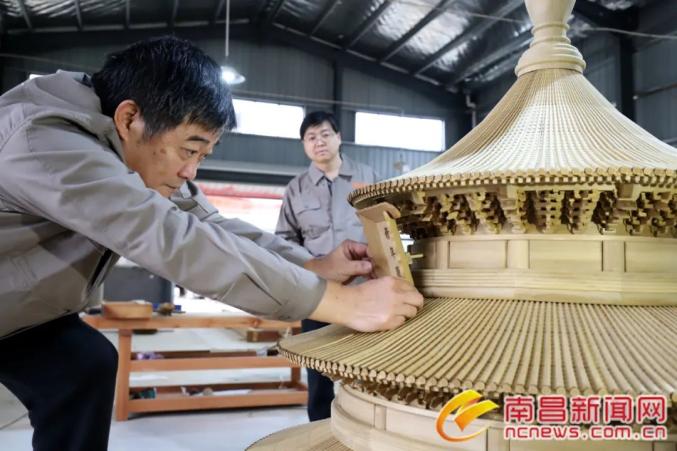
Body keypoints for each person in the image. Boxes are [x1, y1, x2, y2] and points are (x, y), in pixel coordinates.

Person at [0, 36, 423, 451]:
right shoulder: (43, 140)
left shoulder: (132, 150)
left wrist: (311, 267)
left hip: (26, 312)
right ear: (130, 119)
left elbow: (209, 225)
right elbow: (173, 239)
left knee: (84, 366)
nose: (191, 172)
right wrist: (344, 303)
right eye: (189, 150)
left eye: (202, 156)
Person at [275, 111, 379, 421]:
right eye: (311, 137)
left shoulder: (368, 178)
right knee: (318, 371)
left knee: (368, 367)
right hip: (317, 293)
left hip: (366, 289)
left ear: (338, 137)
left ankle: (367, 426)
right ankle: (319, 429)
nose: (318, 142)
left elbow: (384, 226)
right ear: (304, 145)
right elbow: (284, 240)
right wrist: (312, 269)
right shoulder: (296, 188)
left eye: (324, 134)